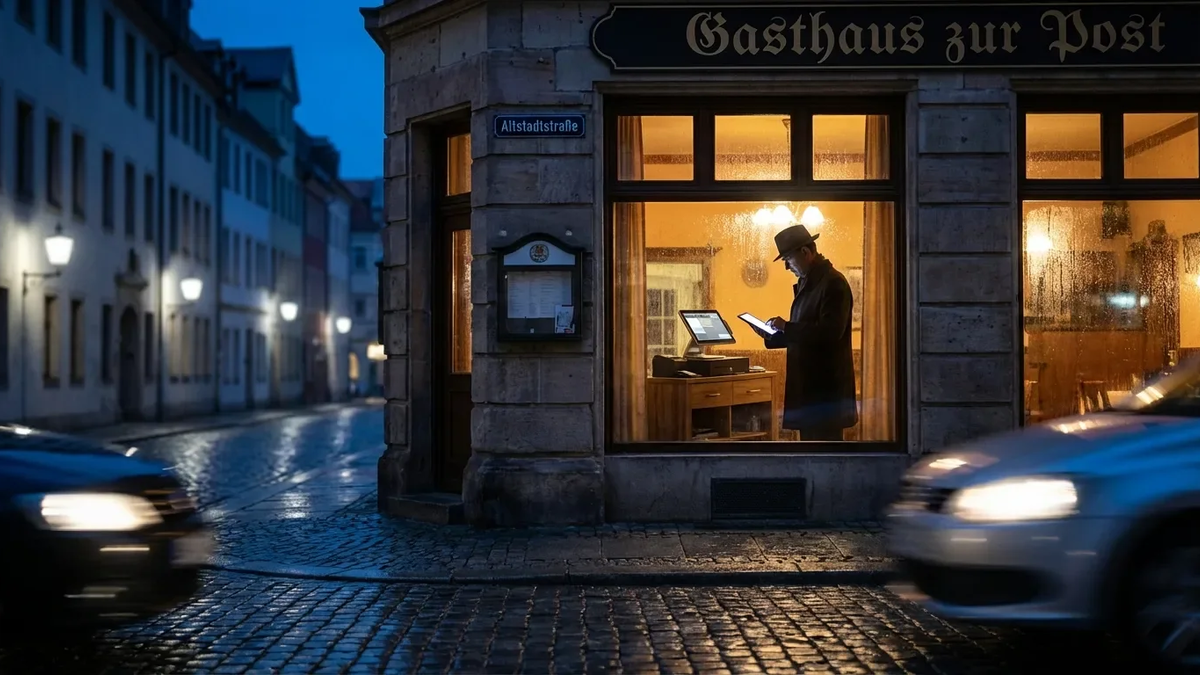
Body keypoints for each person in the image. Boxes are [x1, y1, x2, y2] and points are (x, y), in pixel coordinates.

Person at [752, 224, 857, 441]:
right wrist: (771, 336)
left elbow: (829, 333)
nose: (787, 267)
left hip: (824, 393)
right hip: (810, 391)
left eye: (788, 260)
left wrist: (786, 327)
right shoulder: (808, 283)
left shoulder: (833, 283)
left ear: (805, 252)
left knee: (824, 457)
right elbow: (806, 334)